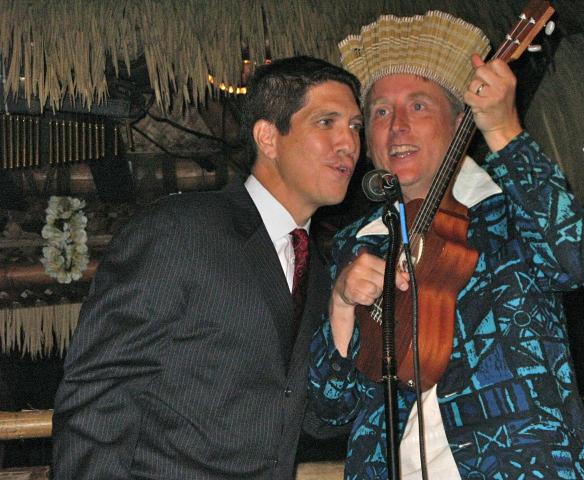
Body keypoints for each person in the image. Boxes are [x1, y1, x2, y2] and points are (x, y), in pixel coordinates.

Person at [308, 11, 584, 480]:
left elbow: (580, 261)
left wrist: (503, 131)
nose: (397, 125)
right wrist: (342, 305)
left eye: (419, 106)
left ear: (459, 121)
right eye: (381, 112)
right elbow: (330, 407)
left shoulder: (511, 207)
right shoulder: (359, 244)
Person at [53, 55, 363, 479]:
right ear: (268, 138)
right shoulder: (181, 230)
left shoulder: (318, 271)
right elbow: (99, 390)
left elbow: (315, 421)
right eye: (327, 122)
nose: (348, 143)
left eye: (355, 126)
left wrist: (343, 313)